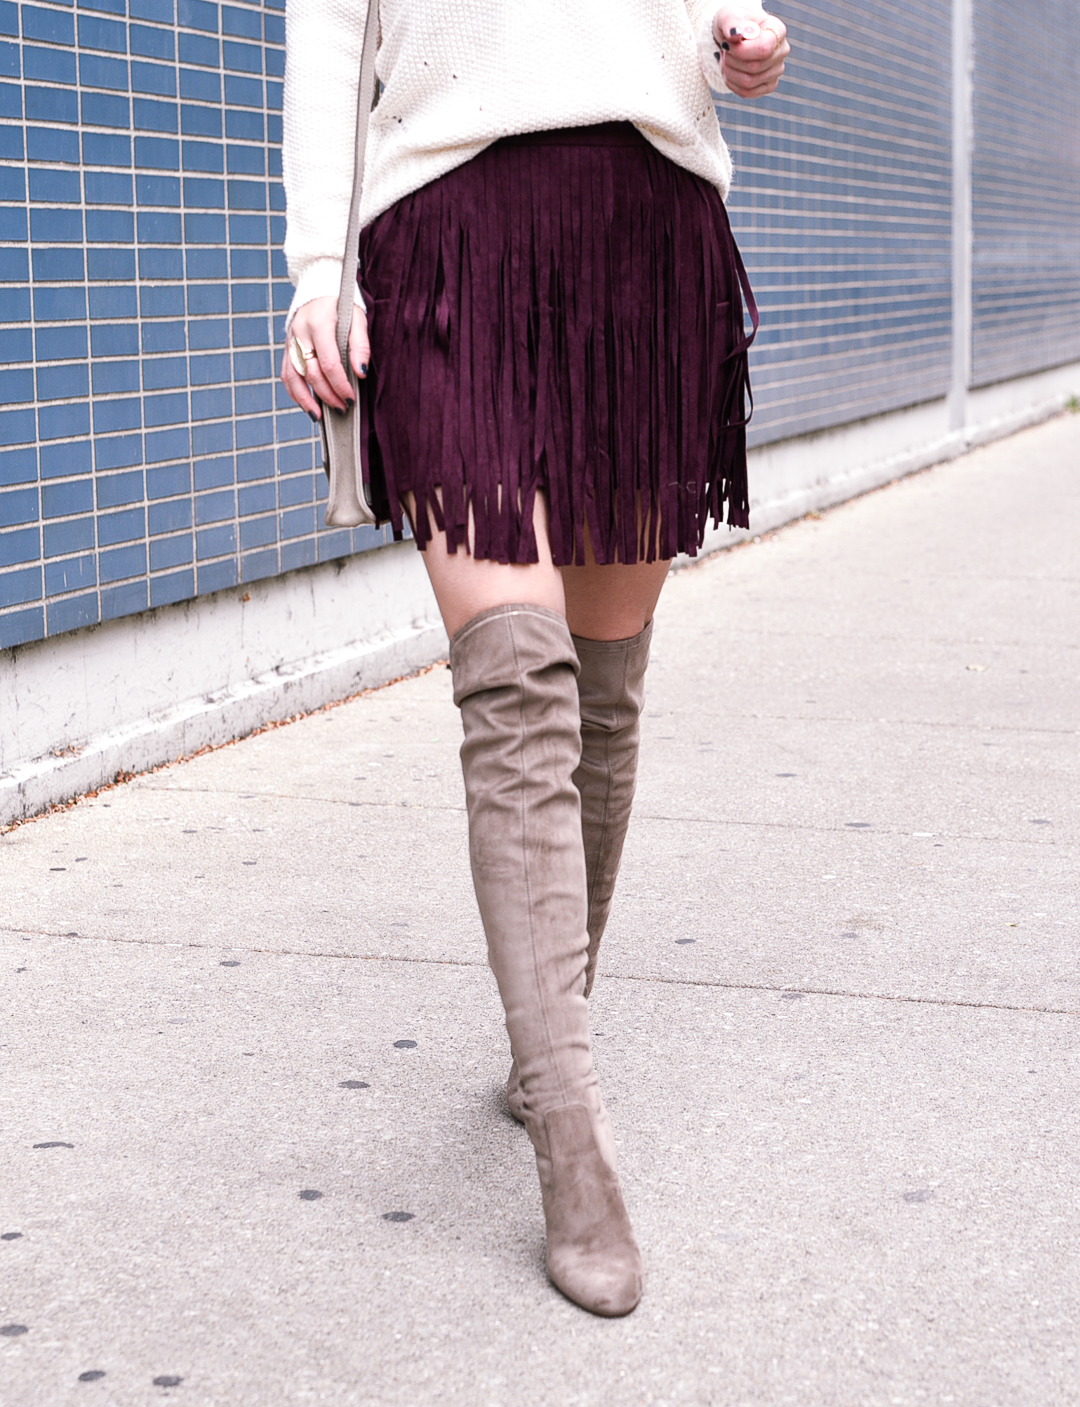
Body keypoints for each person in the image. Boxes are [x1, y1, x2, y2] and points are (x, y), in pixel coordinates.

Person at [281, 0, 788, 1318]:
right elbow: (334, 32)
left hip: (649, 233)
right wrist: (315, 271)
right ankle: (570, 1132)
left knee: (603, 692)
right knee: (515, 680)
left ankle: (550, 1027)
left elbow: (721, 26)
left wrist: (751, 48)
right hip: (448, 231)